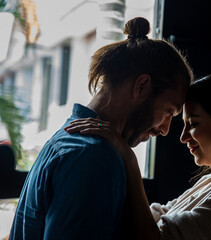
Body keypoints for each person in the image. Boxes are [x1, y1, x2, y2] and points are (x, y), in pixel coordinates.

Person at [9, 17, 193, 240]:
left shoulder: (70, 137)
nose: (165, 129)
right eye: (168, 112)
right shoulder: (94, 157)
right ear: (142, 86)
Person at [66, 73, 211, 239]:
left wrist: (129, 160)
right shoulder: (210, 183)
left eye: (193, 124)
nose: (183, 137)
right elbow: (155, 216)